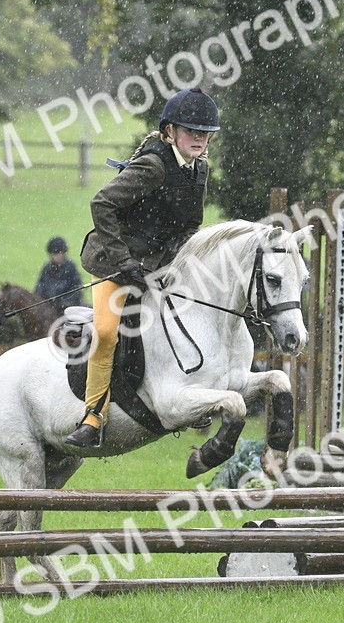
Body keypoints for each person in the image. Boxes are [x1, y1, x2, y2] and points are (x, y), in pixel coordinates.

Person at [65, 88, 220, 448]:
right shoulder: (152, 166)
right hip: (111, 259)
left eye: (204, 132)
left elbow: (189, 225)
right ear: (169, 132)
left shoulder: (200, 170)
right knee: (106, 332)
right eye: (189, 131)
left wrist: (175, 258)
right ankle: (92, 418)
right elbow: (101, 204)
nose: (198, 139)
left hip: (153, 264)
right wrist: (122, 261)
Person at [33, 236, 83, 315]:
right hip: (48, 308)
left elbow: (76, 289)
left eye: (58, 253)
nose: (56, 256)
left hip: (65, 308)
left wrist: (64, 303)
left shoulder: (70, 267)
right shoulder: (47, 267)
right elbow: (40, 286)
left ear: (63, 253)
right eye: (54, 254)